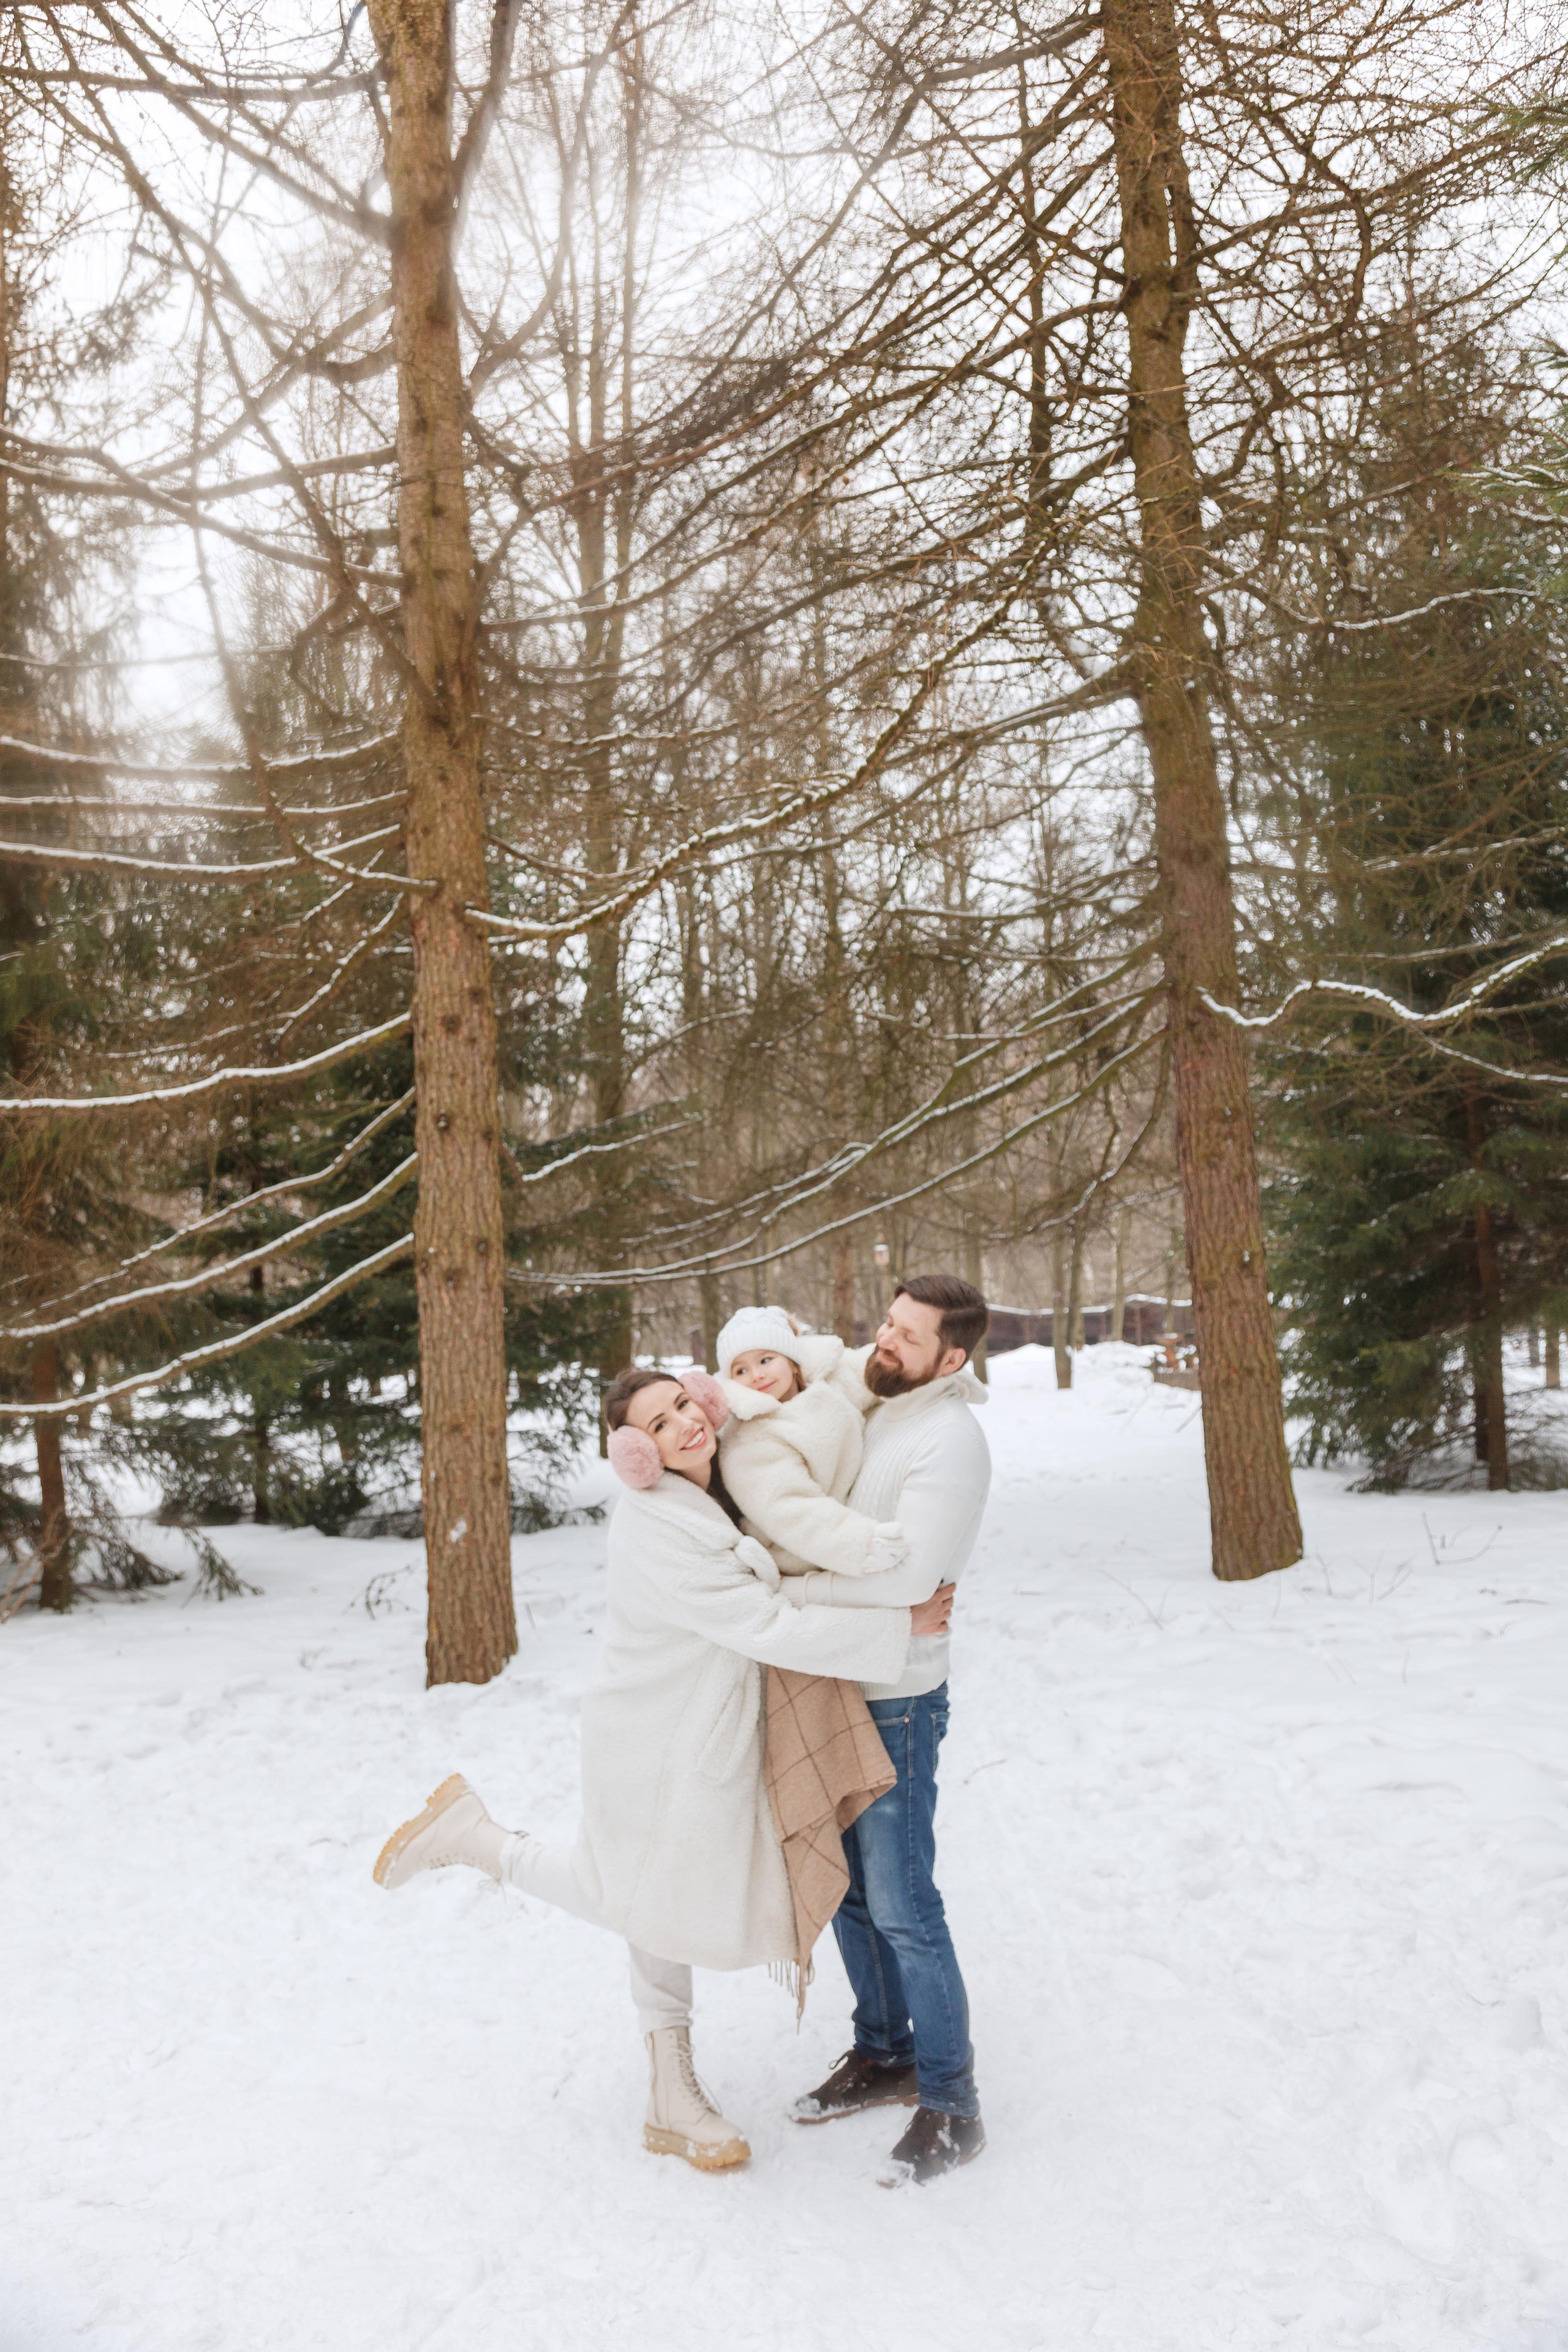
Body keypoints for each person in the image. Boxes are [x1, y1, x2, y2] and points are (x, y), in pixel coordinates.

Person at [371, 1364, 954, 2176]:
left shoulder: (716, 1490)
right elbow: (763, 1620)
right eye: (658, 1422)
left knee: (652, 1902)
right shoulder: (656, 1523)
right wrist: (895, 1624)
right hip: (657, 1738)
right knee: (644, 1902)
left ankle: (668, 2098)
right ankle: (480, 1844)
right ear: (634, 1452)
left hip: (691, 1730)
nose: (685, 1422)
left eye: (685, 1403)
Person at [778, 1274, 993, 2187]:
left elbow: (908, 1586)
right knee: (854, 1899)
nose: (885, 1341)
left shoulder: (950, 1441)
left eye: (908, 1336)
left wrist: (783, 1591)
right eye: (887, 1324)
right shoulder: (878, 1409)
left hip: (898, 1699)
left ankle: (953, 2103)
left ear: (954, 1357)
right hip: (833, 1683)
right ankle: (883, 2053)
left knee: (904, 1904)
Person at [712, 1303, 909, 1577]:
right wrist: (859, 1543)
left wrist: (933, 1371)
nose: (756, 1375)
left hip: (842, 1515)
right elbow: (789, 1509)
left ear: (793, 1363)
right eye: (741, 1371)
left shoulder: (827, 1381)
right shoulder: (749, 1438)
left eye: (765, 1360)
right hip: (798, 1555)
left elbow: (873, 1369)